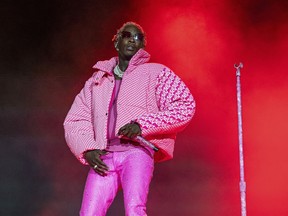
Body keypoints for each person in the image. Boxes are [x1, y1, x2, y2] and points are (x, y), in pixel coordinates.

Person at [63, 21, 196, 216]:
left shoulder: (156, 73)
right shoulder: (97, 80)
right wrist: (87, 150)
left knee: (135, 210)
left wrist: (142, 125)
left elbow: (185, 105)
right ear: (117, 42)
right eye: (127, 35)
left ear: (142, 45)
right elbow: (75, 119)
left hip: (136, 152)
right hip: (104, 155)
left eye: (138, 38)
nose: (133, 40)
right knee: (88, 213)